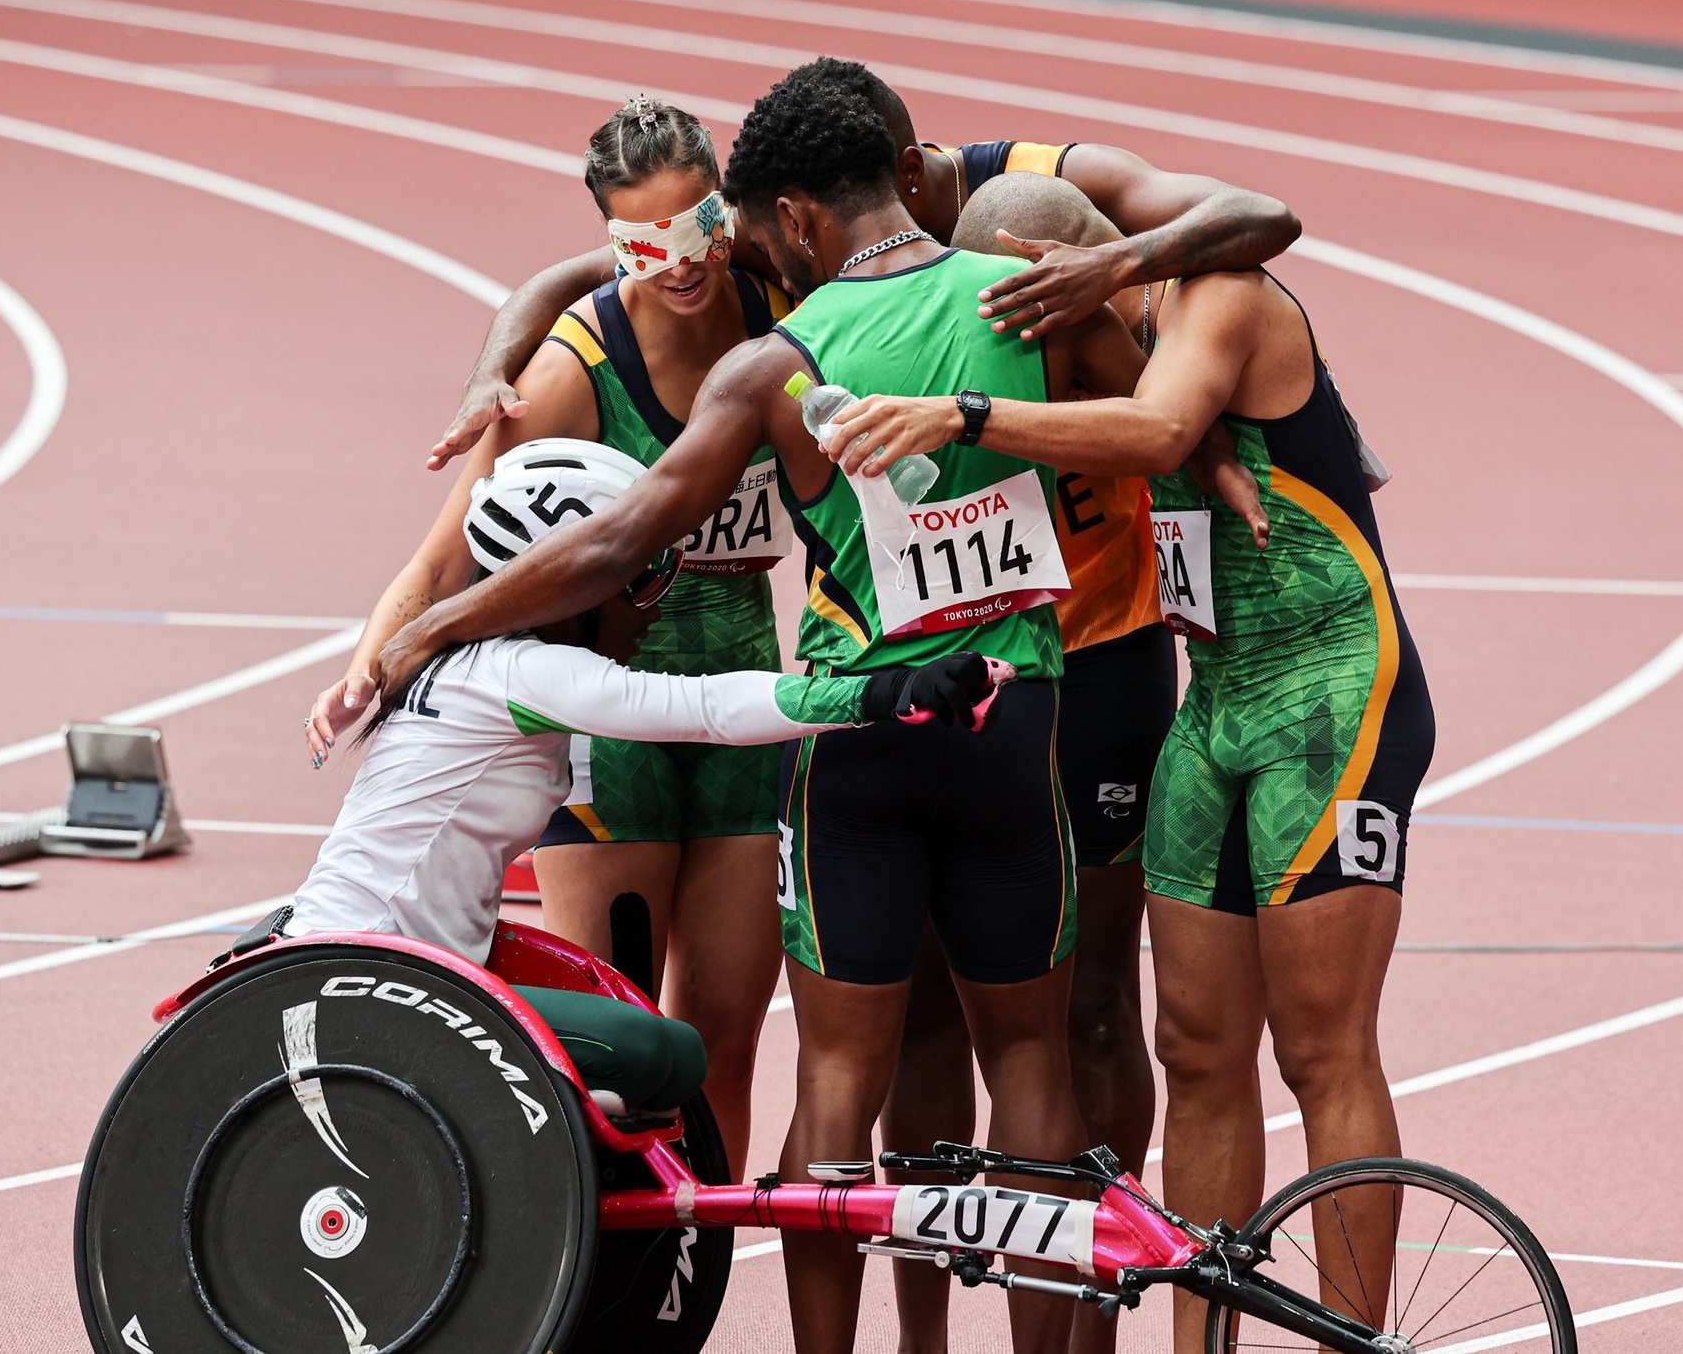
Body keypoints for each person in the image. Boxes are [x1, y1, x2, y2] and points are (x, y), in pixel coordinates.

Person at [373, 71, 1263, 1354]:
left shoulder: (773, 364)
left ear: (791, 218)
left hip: (857, 738)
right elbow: (1152, 422)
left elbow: (623, 532)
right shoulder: (1021, 297)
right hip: (1016, 726)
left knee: (839, 1077)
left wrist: (436, 624)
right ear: (896, 174)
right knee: (1031, 1064)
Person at [821, 223, 1435, 1354]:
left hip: (1333, 692)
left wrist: (961, 414)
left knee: (1320, 1046)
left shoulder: (1220, 298)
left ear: (1065, 266)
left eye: (1022, 311)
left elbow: (1156, 429)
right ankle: (1205, 1341)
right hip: (1215, 697)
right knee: (1194, 1043)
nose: (1010, 338)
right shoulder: (1089, 342)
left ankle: (1354, 1341)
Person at [307, 97, 795, 1180]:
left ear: (726, 209)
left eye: (695, 228)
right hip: (604, 719)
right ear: (609, 243)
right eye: (640, 244)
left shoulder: (776, 299)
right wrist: (366, 666)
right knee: (610, 1058)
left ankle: (685, 1279)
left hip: (743, 698)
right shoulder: (576, 368)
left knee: (726, 1042)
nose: (677, 264)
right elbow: (446, 557)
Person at [287, 438, 1008, 1117]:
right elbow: (707, 708)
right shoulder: (519, 671)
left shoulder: (472, 660)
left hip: (399, 963)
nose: (657, 600)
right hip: (375, 983)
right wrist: (890, 693)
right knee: (660, 1050)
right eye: (643, 573)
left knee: (658, 1055)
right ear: (569, 584)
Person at [427, 58, 1299, 469]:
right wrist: (488, 372)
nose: (800, 252)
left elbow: (1263, 216)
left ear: (900, 177)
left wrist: (1105, 271)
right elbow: (582, 275)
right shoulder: (781, 228)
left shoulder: (1047, 180)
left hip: (1116, 466)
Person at [880, 171, 1175, 1354]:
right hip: (961, 672)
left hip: (1102, 668)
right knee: (925, 1014)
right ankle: (919, 1337)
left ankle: (1084, 1327)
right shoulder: (919, 312)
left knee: (1096, 1006)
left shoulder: (1127, 334)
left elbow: (1180, 413)